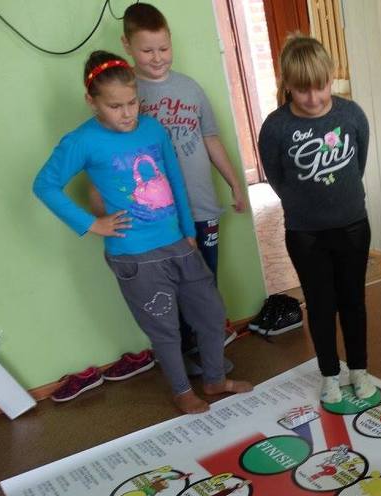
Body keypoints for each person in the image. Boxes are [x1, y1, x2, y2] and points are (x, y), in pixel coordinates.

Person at [33, 50, 253, 414]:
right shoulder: (82, 141)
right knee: (164, 328)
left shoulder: (152, 129)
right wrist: (92, 224)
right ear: (91, 102)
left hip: (177, 242)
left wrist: (188, 230)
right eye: (115, 106)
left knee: (211, 312)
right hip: (134, 255)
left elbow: (175, 179)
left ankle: (214, 379)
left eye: (132, 102)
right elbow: (45, 185)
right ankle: (182, 391)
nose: (127, 113)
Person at [119, 3, 246, 376]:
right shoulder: (127, 96)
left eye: (164, 47)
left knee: (204, 285)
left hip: (202, 209)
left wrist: (235, 183)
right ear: (127, 45)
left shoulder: (190, 88)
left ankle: (210, 355)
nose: (158, 57)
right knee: (168, 290)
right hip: (162, 220)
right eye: (147, 50)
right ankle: (180, 354)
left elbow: (210, 138)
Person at [257, 35, 375, 404]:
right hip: (305, 234)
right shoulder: (275, 127)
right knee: (321, 305)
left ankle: (359, 369)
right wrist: (303, 204)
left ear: (331, 78)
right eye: (302, 90)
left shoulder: (351, 115)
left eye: (320, 87)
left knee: (353, 301)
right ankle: (329, 374)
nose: (313, 98)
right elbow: (276, 177)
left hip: (353, 226)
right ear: (287, 85)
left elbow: (358, 164)